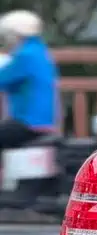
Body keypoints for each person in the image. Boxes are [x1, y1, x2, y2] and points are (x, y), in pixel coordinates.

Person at [0, 10, 59, 152]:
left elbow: (3, 79)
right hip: (44, 122)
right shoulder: (40, 51)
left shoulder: (25, 55)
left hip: (27, 123)